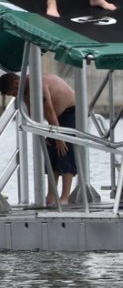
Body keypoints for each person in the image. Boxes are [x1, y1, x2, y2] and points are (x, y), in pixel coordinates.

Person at [0, 72, 78, 206]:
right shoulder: (24, 91)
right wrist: (41, 132)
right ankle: (51, 195)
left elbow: (49, 112)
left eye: (12, 93)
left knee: (64, 151)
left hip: (71, 111)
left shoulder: (37, 85)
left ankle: (65, 196)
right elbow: (33, 114)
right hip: (56, 118)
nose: (14, 96)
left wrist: (59, 138)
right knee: (50, 152)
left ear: (16, 83)